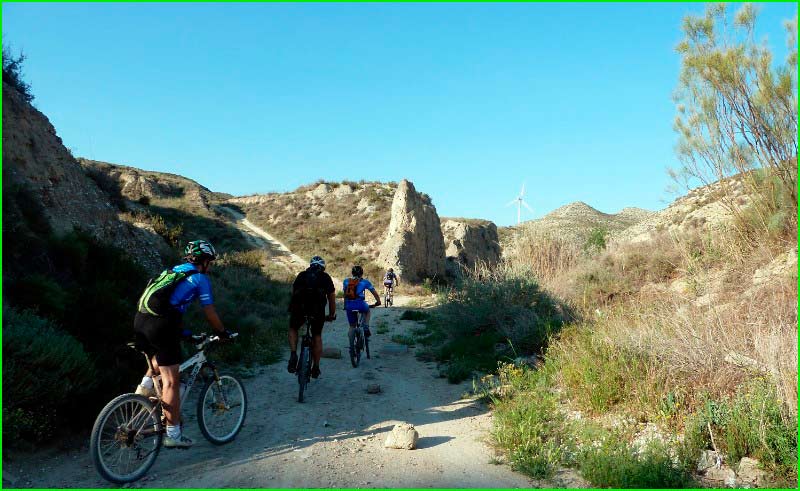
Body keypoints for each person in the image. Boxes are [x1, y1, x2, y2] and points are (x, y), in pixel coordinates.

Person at [134, 239, 232, 449]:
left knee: (160, 356)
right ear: (204, 261)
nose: (210, 266)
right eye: (210, 262)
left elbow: (168, 306)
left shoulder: (173, 271)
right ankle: (173, 434)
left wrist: (184, 333)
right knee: (171, 382)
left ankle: (142, 392)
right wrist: (222, 333)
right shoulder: (200, 278)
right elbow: (210, 312)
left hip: (141, 320)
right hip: (162, 324)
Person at [287, 256, 336, 379]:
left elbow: (293, 293)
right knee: (316, 336)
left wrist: (293, 309)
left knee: (293, 328)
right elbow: (331, 298)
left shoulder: (302, 275)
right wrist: (331, 314)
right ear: (323, 267)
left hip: (299, 309)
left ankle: (293, 353)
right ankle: (316, 367)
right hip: (317, 311)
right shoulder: (325, 277)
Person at [343, 265, 381, 341]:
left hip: (349, 305)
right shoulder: (365, 282)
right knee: (367, 311)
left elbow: (345, 295)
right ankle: (366, 325)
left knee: (352, 326)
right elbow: (374, 293)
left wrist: (345, 306)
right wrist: (378, 302)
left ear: (352, 273)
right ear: (362, 273)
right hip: (360, 304)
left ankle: (352, 346)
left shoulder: (346, 281)